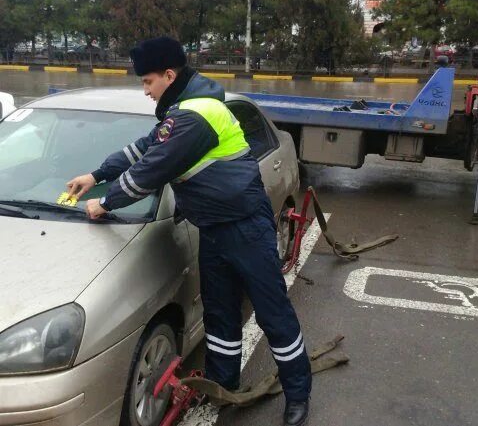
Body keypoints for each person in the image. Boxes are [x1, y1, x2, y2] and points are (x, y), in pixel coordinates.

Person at [66, 37, 311, 425]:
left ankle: (299, 394)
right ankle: (222, 383)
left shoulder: (195, 115)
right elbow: (143, 148)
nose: (145, 91)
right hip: (214, 230)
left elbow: (151, 170)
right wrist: (96, 174)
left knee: (273, 313)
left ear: (169, 74)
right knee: (220, 313)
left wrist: (106, 201)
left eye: (148, 82)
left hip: (245, 227)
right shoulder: (181, 111)